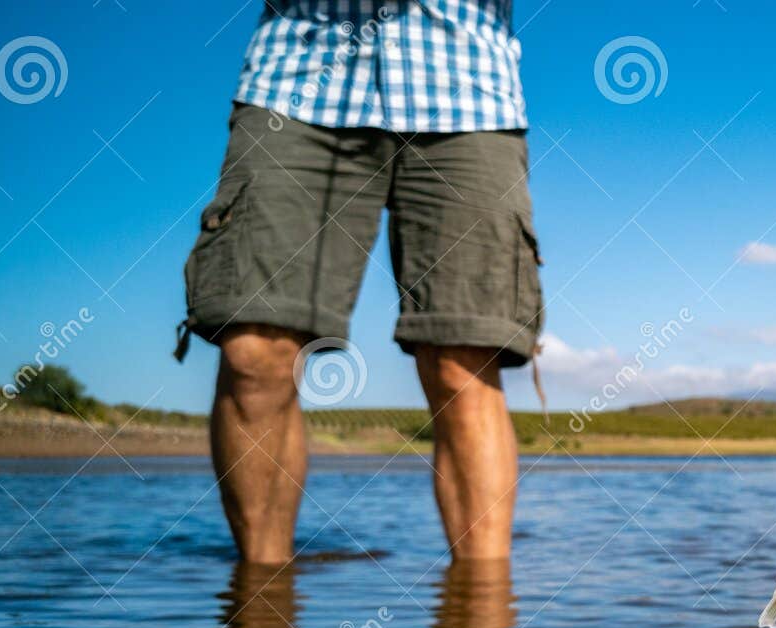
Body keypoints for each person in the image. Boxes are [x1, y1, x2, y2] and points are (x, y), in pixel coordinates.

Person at [178, 1, 543, 565]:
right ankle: (261, 605)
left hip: (468, 89)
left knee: (462, 358)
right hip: (297, 82)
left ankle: (483, 623)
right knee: (255, 352)